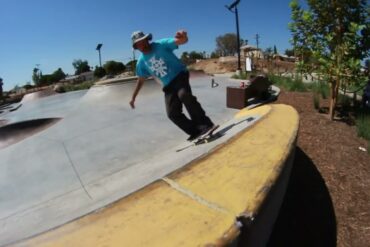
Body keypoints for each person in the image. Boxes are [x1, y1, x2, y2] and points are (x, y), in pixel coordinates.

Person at [129, 30, 215, 141]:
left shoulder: (161, 44)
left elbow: (181, 41)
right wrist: (133, 98)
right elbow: (140, 80)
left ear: (147, 40)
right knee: (172, 113)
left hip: (180, 75)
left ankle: (205, 124)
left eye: (143, 41)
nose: (143, 45)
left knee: (184, 95)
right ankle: (195, 131)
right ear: (136, 47)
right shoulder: (141, 63)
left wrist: (183, 36)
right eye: (139, 44)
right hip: (168, 86)